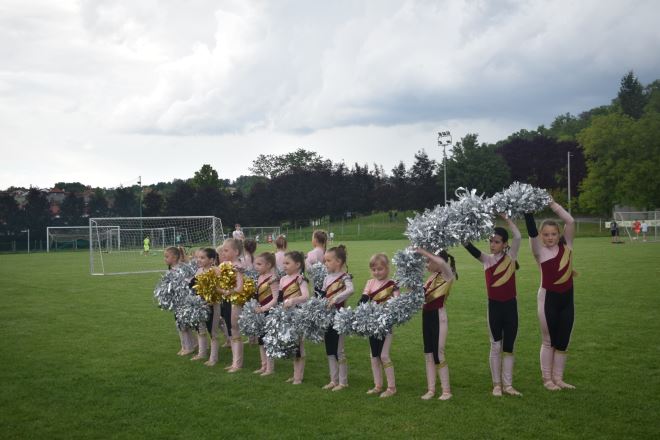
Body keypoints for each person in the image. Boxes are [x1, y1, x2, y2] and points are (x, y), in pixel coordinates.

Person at [463, 215, 522, 397]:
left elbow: (518, 236)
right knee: (496, 345)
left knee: (509, 346)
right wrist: (462, 228)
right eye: (491, 241)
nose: (492, 245)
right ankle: (497, 384)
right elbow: (469, 247)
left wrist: (507, 219)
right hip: (494, 307)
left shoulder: (511, 257)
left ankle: (508, 385)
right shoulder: (487, 260)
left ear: (504, 244)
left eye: (496, 242)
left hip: (510, 306)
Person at [524, 200, 577, 391]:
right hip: (548, 300)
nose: (550, 237)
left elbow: (570, 221)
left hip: (567, 300)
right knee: (549, 341)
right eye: (546, 234)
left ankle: (559, 378)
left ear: (559, 234)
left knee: (563, 341)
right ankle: (547, 379)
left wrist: (552, 203)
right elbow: (531, 233)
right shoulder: (539, 251)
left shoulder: (567, 245)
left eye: (553, 234)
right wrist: (528, 212)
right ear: (541, 236)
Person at [416, 247, 457, 401]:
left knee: (438, 353)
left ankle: (446, 391)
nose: (426, 264)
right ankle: (431, 389)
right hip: (426, 316)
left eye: (428, 261)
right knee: (428, 353)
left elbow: (441, 262)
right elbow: (422, 296)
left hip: (438, 316)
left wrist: (424, 251)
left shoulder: (447, 274)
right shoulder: (432, 276)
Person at [359, 253, 400, 398]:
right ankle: (377, 385)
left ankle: (392, 387)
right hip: (372, 324)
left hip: (386, 325)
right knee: (374, 356)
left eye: (380, 269)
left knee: (384, 355)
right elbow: (363, 299)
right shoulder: (370, 282)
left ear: (387, 268)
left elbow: (397, 303)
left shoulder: (393, 284)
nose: (377, 272)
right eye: (374, 269)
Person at [320, 245, 354, 392]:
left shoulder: (345, 277)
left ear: (338, 262)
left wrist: (336, 298)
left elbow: (351, 290)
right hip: (327, 318)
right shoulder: (327, 277)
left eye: (328, 260)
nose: (325, 263)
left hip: (339, 318)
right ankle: (333, 380)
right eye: (325, 260)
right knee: (330, 349)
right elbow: (322, 295)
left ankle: (343, 381)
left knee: (339, 350)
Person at [280, 251, 310, 385]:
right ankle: (295, 374)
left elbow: (306, 296)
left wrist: (293, 300)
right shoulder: (282, 279)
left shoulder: (300, 279)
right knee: (293, 345)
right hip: (287, 314)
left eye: (287, 263)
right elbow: (280, 298)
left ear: (298, 265)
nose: (284, 266)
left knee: (299, 345)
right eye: (283, 263)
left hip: (298, 315)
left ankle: (299, 377)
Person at [217, 238, 245, 373]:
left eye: (226, 250)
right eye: (223, 250)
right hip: (227, 300)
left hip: (235, 302)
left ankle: (237, 363)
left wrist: (227, 291)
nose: (223, 253)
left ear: (236, 252)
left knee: (234, 329)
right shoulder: (225, 265)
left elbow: (240, 288)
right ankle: (234, 362)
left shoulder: (238, 267)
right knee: (231, 329)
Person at [164, 246, 196, 356]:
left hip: (185, 300)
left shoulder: (182, 268)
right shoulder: (171, 269)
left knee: (184, 324)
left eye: (167, 256)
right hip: (177, 302)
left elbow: (191, 282)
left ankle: (189, 347)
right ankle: (186, 346)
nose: (165, 259)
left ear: (174, 257)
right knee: (180, 324)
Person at [190, 248, 218, 364]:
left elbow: (220, 288)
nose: (199, 260)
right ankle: (202, 353)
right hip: (200, 305)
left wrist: (211, 298)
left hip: (213, 305)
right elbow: (194, 287)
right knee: (200, 329)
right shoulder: (199, 271)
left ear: (211, 260)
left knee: (213, 332)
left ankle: (213, 358)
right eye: (198, 257)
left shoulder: (216, 270)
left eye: (202, 258)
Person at [253, 252, 280, 376]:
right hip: (260, 312)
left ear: (268, 265)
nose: (256, 266)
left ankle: (270, 368)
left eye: (259, 264)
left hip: (269, 312)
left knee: (268, 340)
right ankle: (263, 365)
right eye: (255, 264)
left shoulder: (272, 279)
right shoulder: (260, 277)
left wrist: (263, 308)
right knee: (261, 339)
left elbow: (275, 299)